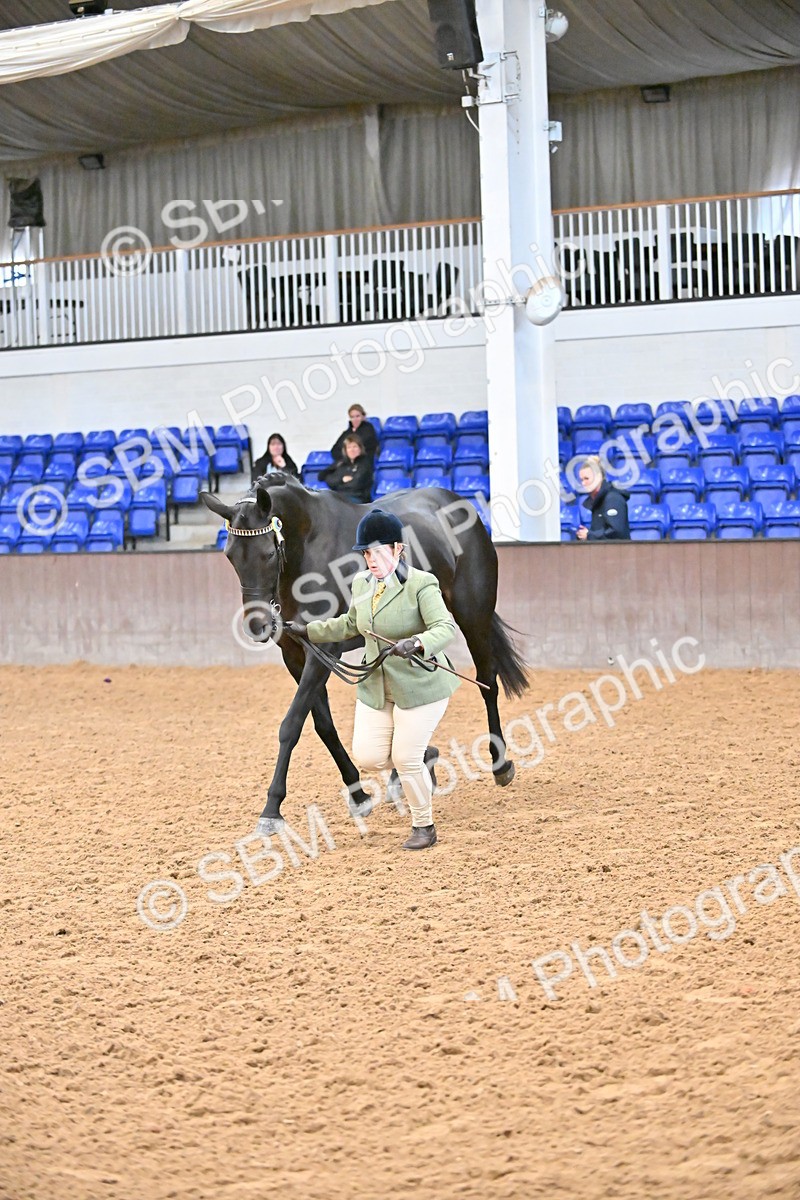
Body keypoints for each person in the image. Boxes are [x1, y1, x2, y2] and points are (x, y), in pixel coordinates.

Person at [286, 509, 459, 851]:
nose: (371, 559)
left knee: (405, 758)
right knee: (368, 758)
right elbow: (350, 624)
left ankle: (424, 825)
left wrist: (418, 642)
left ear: (398, 549)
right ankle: (425, 754)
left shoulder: (422, 584)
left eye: (378, 551)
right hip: (377, 686)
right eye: (366, 552)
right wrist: (306, 631)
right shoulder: (362, 583)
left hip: (420, 687)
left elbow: (445, 627)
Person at [576, 455, 631, 541]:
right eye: (581, 480)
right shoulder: (597, 500)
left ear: (598, 477)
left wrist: (589, 535)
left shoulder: (613, 499)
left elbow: (616, 533)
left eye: (586, 478)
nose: (583, 483)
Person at [321, 433, 373, 503]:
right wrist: (342, 479)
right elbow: (326, 478)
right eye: (349, 447)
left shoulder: (365, 464)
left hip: (358, 499)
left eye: (354, 447)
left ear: (360, 449)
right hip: (339, 497)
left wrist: (337, 486)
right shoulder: (341, 464)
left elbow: (356, 485)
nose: (352, 450)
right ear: (345, 450)